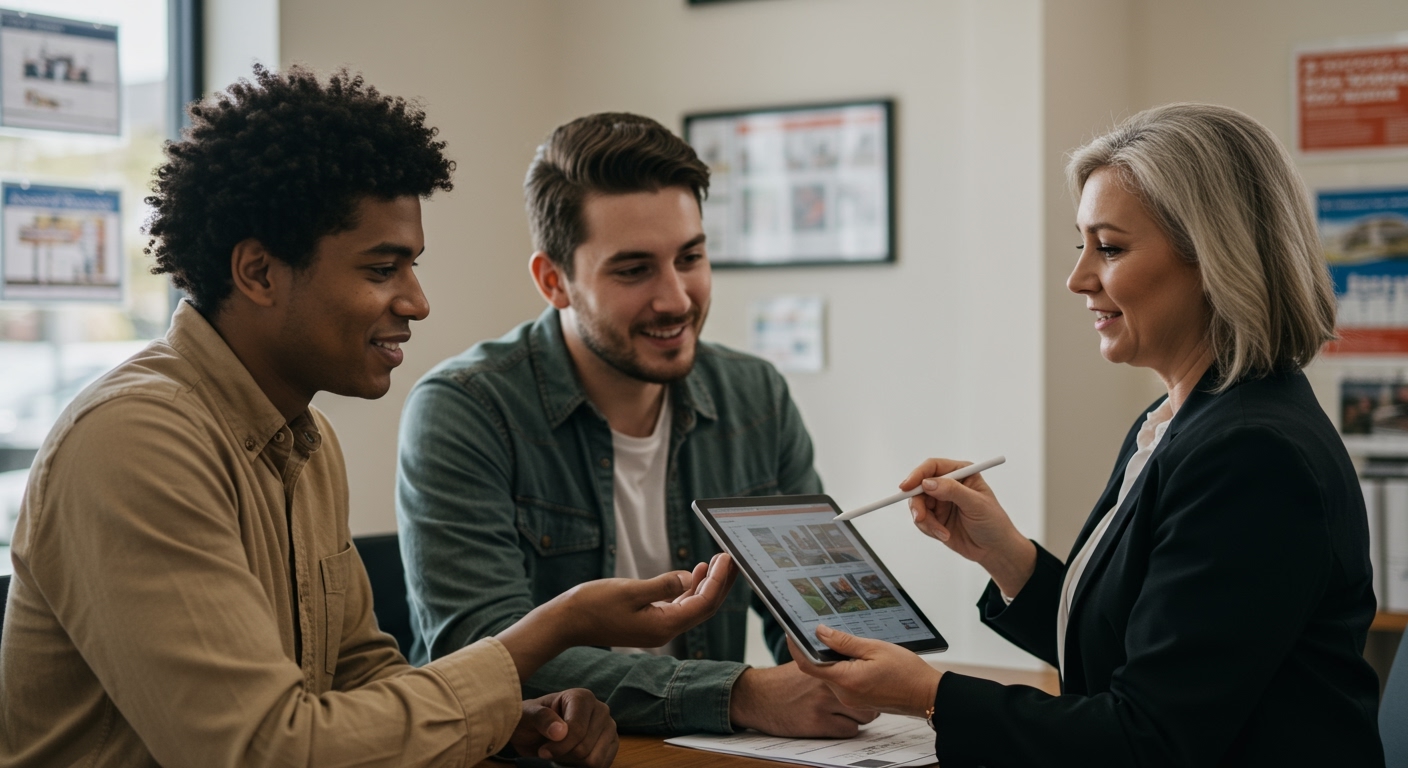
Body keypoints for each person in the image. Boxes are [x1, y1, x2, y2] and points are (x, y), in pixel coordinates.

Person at [0, 67, 738, 768]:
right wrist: (556, 626)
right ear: (258, 272)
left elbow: (358, 679)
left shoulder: (305, 439)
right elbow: (265, 751)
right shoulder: (134, 441)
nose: (417, 301)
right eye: (382, 270)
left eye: (412, 266)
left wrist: (513, 718)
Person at [787, 103, 1385, 767]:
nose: (1078, 279)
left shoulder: (1251, 454)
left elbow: (1147, 739)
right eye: (1083, 246)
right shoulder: (1179, 421)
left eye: (1111, 248)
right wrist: (1007, 557)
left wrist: (929, 695)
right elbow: (1135, 652)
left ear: (1215, 257)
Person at [396, 112, 875, 736]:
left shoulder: (755, 395)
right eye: (633, 269)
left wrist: (850, 668)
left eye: (690, 257)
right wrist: (740, 695)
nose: (676, 298)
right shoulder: (466, 410)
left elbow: (822, 609)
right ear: (554, 281)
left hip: (708, 751)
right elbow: (479, 652)